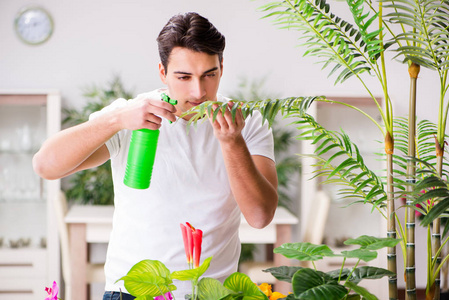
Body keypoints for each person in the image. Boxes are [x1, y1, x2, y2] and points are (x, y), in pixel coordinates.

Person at [33, 12, 278, 300]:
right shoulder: (131, 115)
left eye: (209, 75)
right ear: (162, 72)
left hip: (213, 292)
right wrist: (116, 120)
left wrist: (232, 142)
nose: (198, 91)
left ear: (222, 67)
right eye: (183, 77)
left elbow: (260, 217)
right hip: (132, 292)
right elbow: (45, 165)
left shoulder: (246, 122)